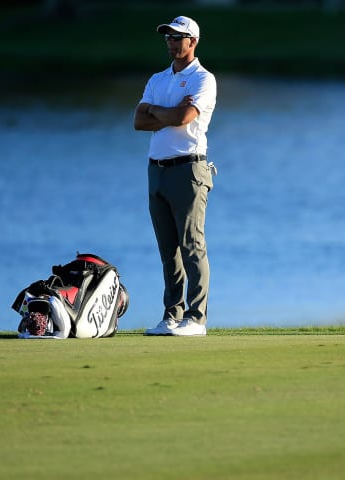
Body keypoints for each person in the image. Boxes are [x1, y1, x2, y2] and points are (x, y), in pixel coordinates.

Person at [134, 15, 217, 337]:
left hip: (188, 169)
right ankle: (172, 316)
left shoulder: (203, 79)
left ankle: (196, 319)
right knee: (167, 248)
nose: (171, 42)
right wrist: (161, 113)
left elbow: (185, 117)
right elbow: (139, 122)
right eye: (168, 37)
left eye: (177, 37)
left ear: (192, 41)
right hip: (157, 170)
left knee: (191, 245)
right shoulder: (157, 79)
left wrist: (158, 112)